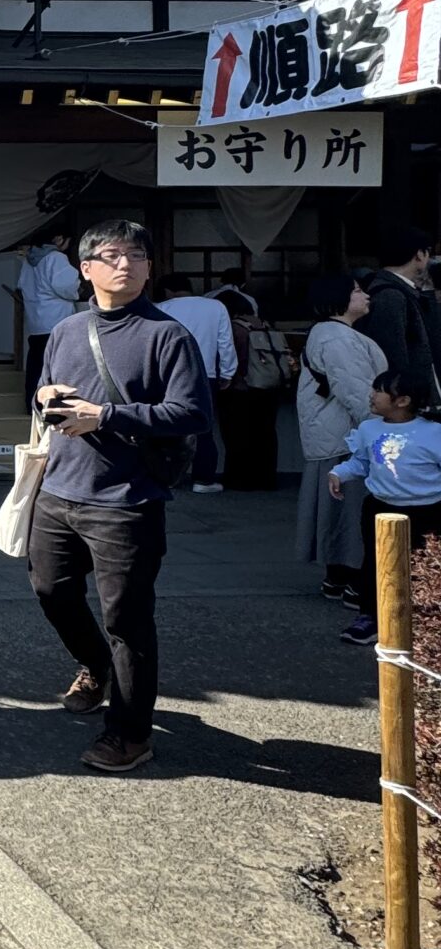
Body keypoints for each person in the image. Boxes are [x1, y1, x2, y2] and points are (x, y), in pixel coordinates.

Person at [29, 216, 209, 776]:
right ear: (86, 269)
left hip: (127, 499)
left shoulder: (168, 336)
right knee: (51, 590)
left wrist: (105, 415)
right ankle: (95, 666)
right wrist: (45, 397)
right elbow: (43, 393)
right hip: (59, 488)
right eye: (110, 256)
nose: (124, 265)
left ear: (150, 268)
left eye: (135, 256)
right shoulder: (66, 330)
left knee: (127, 621)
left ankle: (130, 734)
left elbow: (191, 413)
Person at [328, 370, 441, 649]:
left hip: (428, 510)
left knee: (426, 565)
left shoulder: (433, 433)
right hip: (380, 507)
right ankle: (371, 618)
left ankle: (425, 621)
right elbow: (361, 462)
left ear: (403, 400)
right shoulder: (369, 429)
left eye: (379, 390)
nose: (372, 395)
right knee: (375, 563)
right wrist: (339, 473)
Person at [295, 272, 387, 604]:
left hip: (333, 433)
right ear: (339, 298)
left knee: (337, 509)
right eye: (357, 291)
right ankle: (353, 580)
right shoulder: (337, 337)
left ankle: (337, 577)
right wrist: (383, 427)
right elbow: (357, 391)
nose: (365, 296)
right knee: (351, 509)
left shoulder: (329, 334)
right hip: (347, 437)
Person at [157, 275, 236, 491]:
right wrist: (227, 373)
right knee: (203, 428)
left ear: (167, 291)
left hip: (168, 375)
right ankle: (203, 479)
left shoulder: (161, 308)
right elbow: (225, 343)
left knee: (167, 425)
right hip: (206, 373)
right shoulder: (216, 307)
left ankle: (168, 477)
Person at [213, 284, 293, 492]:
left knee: (237, 434)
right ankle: (266, 478)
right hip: (269, 386)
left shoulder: (234, 328)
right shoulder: (267, 326)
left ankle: (239, 480)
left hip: (241, 388)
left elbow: (231, 357)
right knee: (266, 433)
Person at [359, 231, 441, 407]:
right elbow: (393, 355)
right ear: (419, 254)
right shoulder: (390, 296)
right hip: (405, 402)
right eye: (429, 252)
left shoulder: (399, 291)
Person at [16, 227, 82, 401]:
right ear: (59, 238)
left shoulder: (28, 260)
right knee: (57, 366)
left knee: (36, 365)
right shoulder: (56, 257)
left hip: (36, 322)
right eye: (68, 242)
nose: (67, 247)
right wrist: (78, 290)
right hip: (57, 320)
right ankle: (54, 405)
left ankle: (32, 403)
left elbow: (22, 286)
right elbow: (66, 286)